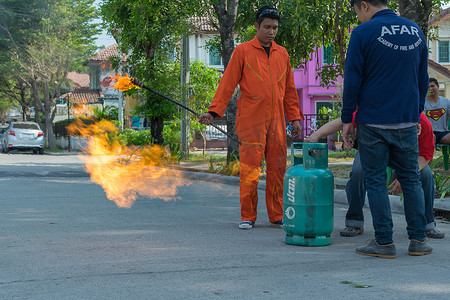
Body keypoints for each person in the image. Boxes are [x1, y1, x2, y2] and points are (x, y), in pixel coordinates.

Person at [198, 6, 303, 229]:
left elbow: (290, 90)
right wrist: (214, 111)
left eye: (275, 28)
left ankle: (277, 215)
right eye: (267, 27)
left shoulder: (282, 53)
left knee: (277, 169)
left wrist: (294, 118)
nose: (271, 32)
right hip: (251, 122)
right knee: (250, 171)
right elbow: (227, 83)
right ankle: (248, 216)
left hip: (276, 123)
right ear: (257, 26)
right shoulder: (243, 51)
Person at [342, 0, 431, 258]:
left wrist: (348, 117)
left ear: (364, 5)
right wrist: (416, 114)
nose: (358, 16)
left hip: (373, 121)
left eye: (357, 11)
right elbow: (422, 77)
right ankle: (418, 240)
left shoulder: (363, 32)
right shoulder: (415, 30)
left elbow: (353, 77)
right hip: (406, 119)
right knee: (411, 179)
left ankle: (383, 242)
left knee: (376, 180)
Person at [305, 113, 444, 239]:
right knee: (359, 172)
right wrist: (316, 135)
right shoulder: (378, 109)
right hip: (373, 149)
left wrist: (406, 176)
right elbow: (343, 121)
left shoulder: (422, 121)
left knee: (425, 175)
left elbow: (425, 156)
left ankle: (427, 225)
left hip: (405, 154)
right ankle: (355, 221)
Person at [424, 78, 450, 144]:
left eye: (432, 86)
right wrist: (429, 133)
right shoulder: (422, 103)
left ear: (438, 86)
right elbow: (423, 122)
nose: (430, 89)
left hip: (444, 134)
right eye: (428, 87)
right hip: (429, 133)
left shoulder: (446, 102)